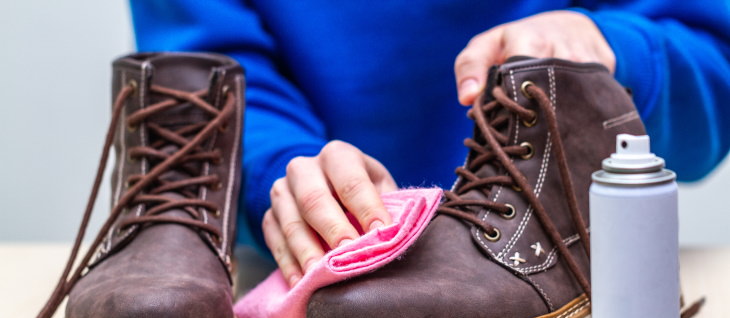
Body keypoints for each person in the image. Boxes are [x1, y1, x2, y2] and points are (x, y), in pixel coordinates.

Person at [131, 1, 730, 287]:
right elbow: (205, 68)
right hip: (302, 279)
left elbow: (714, 68)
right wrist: (279, 168)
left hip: (576, 268)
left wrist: (613, 48)